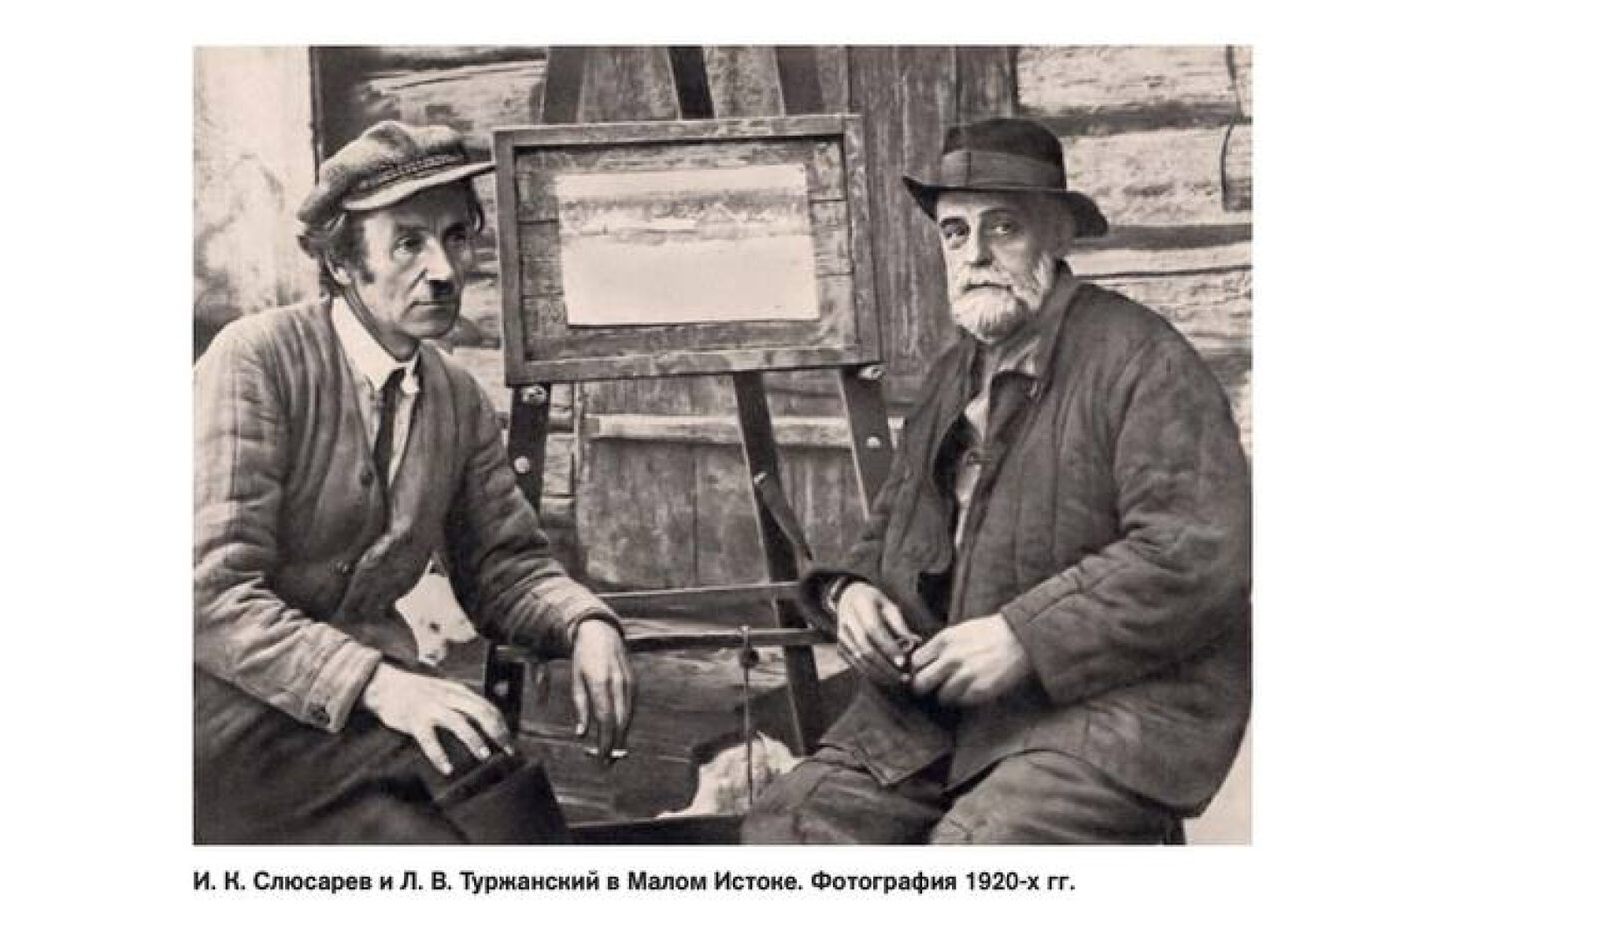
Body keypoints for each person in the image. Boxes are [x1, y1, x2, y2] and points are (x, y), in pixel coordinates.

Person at [743, 118, 1251, 844]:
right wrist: (847, 592)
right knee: (788, 825)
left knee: (976, 855)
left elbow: (1196, 552)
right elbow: (891, 529)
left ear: (1058, 235)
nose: (975, 255)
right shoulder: (955, 373)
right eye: (955, 233)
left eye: (1002, 227)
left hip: (1103, 721)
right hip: (938, 723)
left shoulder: (1145, 361)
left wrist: (1024, 637)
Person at [194, 121, 633, 843]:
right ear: (342, 263)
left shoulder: (454, 397)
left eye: (456, 237)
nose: (444, 269)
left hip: (361, 720)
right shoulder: (258, 360)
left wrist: (584, 622)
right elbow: (207, 593)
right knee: (441, 825)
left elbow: (504, 566)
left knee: (496, 783)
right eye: (408, 243)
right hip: (224, 723)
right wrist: (379, 683)